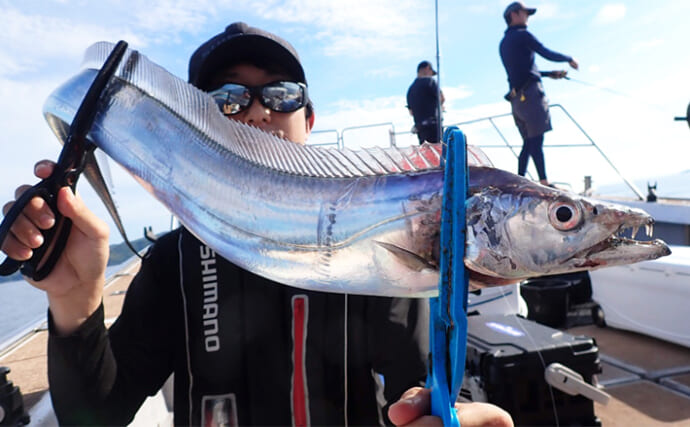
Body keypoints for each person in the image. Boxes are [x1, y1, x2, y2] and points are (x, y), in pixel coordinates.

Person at [2, 22, 513, 427]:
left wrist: (443, 412)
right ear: (193, 125)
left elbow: (419, 384)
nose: (257, 111)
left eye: (282, 94)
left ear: (309, 121)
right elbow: (96, 417)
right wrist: (75, 301)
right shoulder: (171, 265)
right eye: (226, 99)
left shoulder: (378, 256)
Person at [499, 1, 579, 186]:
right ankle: (544, 182)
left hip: (517, 100)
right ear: (514, 15)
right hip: (530, 96)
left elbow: (521, 71)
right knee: (536, 140)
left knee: (528, 142)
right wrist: (569, 59)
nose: (527, 16)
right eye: (525, 13)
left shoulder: (504, 42)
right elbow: (545, 51)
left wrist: (551, 74)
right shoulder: (522, 35)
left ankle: (519, 179)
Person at [406, 60, 445, 144]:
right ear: (427, 68)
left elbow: (411, 112)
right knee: (439, 153)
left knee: (426, 154)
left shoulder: (410, 90)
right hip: (434, 127)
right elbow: (442, 98)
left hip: (421, 129)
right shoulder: (430, 82)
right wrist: (441, 106)